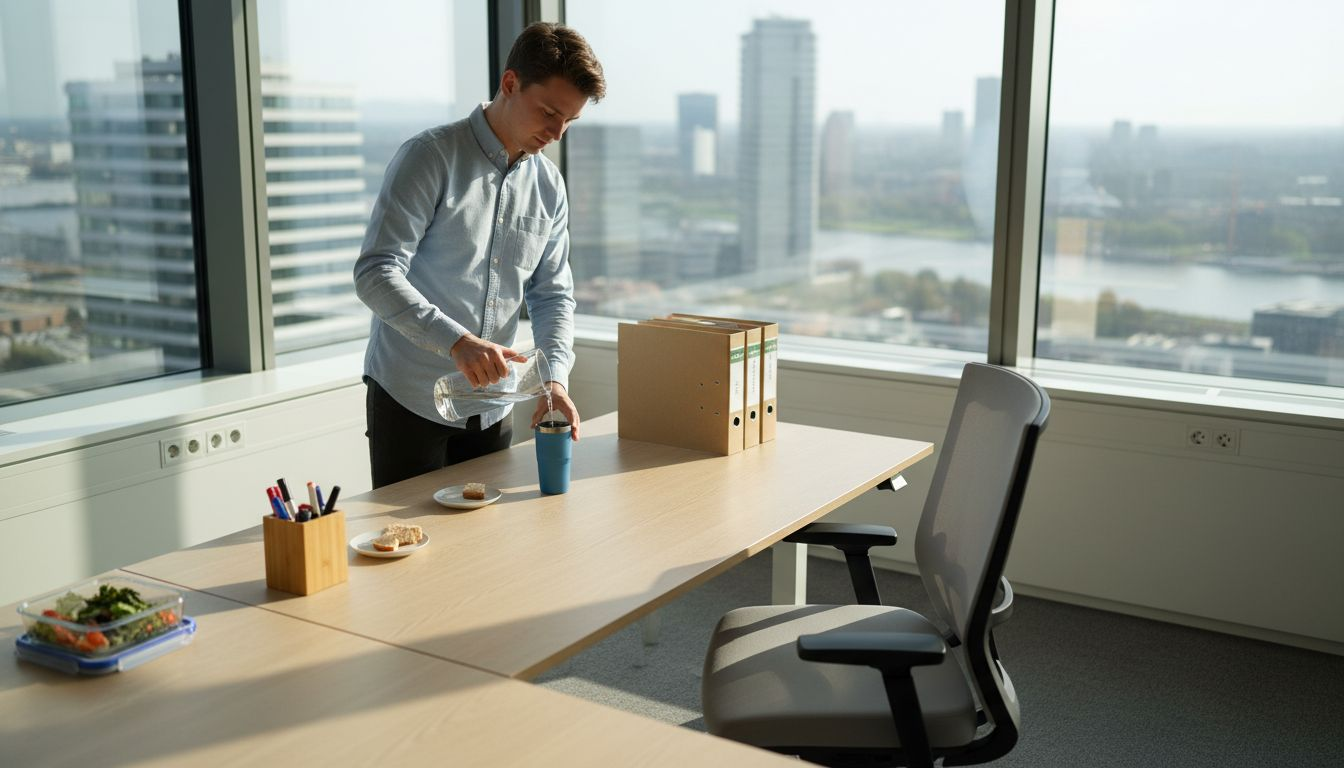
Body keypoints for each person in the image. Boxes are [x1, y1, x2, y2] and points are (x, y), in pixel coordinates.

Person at [354, 22, 605, 488]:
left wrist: (554, 379)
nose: (556, 133)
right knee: (411, 546)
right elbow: (375, 272)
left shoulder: (548, 186)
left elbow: (552, 294)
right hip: (412, 397)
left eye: (569, 121)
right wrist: (457, 341)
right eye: (549, 112)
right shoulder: (429, 157)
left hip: (494, 405)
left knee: (485, 550)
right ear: (510, 84)